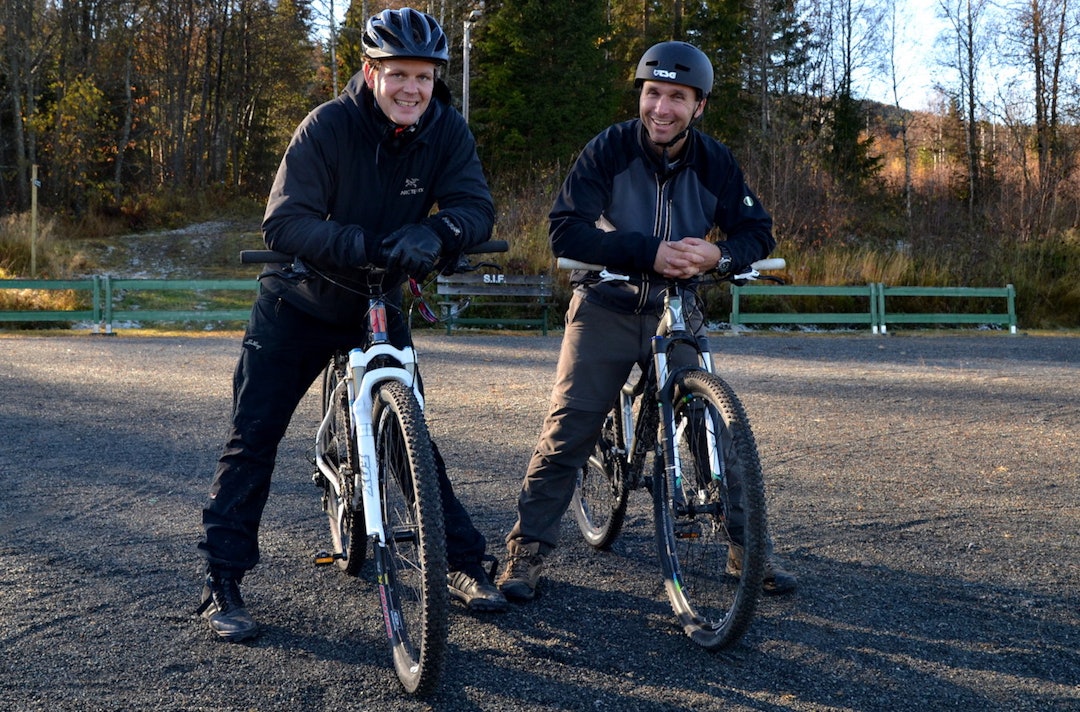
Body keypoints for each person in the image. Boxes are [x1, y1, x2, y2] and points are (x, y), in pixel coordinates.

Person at [196, 7, 507, 643]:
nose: (411, 89)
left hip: (378, 302)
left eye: (423, 76)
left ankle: (464, 563)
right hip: (300, 302)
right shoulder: (327, 128)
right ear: (370, 72)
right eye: (398, 74)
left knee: (410, 437)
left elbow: (475, 207)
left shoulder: (445, 129)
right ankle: (221, 580)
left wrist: (437, 231)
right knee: (252, 438)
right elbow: (284, 223)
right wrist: (363, 242)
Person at [496, 41, 797, 602]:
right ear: (641, 93)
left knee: (718, 431)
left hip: (678, 307)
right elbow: (566, 229)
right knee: (569, 429)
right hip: (606, 306)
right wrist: (647, 252)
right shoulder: (607, 149)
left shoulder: (716, 163)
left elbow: (759, 234)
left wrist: (719, 257)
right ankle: (527, 550)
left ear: (698, 106)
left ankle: (745, 547)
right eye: (653, 92)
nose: (662, 107)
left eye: (677, 97)